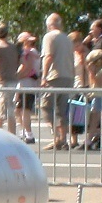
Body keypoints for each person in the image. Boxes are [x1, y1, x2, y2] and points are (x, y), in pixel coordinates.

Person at [40, 13, 75, 148]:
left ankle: (56, 137)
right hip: (68, 77)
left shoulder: (49, 37)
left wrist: (44, 76)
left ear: (49, 25)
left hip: (54, 76)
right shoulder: (67, 38)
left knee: (45, 106)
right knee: (61, 110)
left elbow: (48, 56)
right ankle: (63, 139)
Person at [0, 26, 21, 132]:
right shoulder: (13, 47)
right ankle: (12, 133)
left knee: (0, 109)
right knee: (10, 109)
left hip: (4, 81)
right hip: (14, 79)